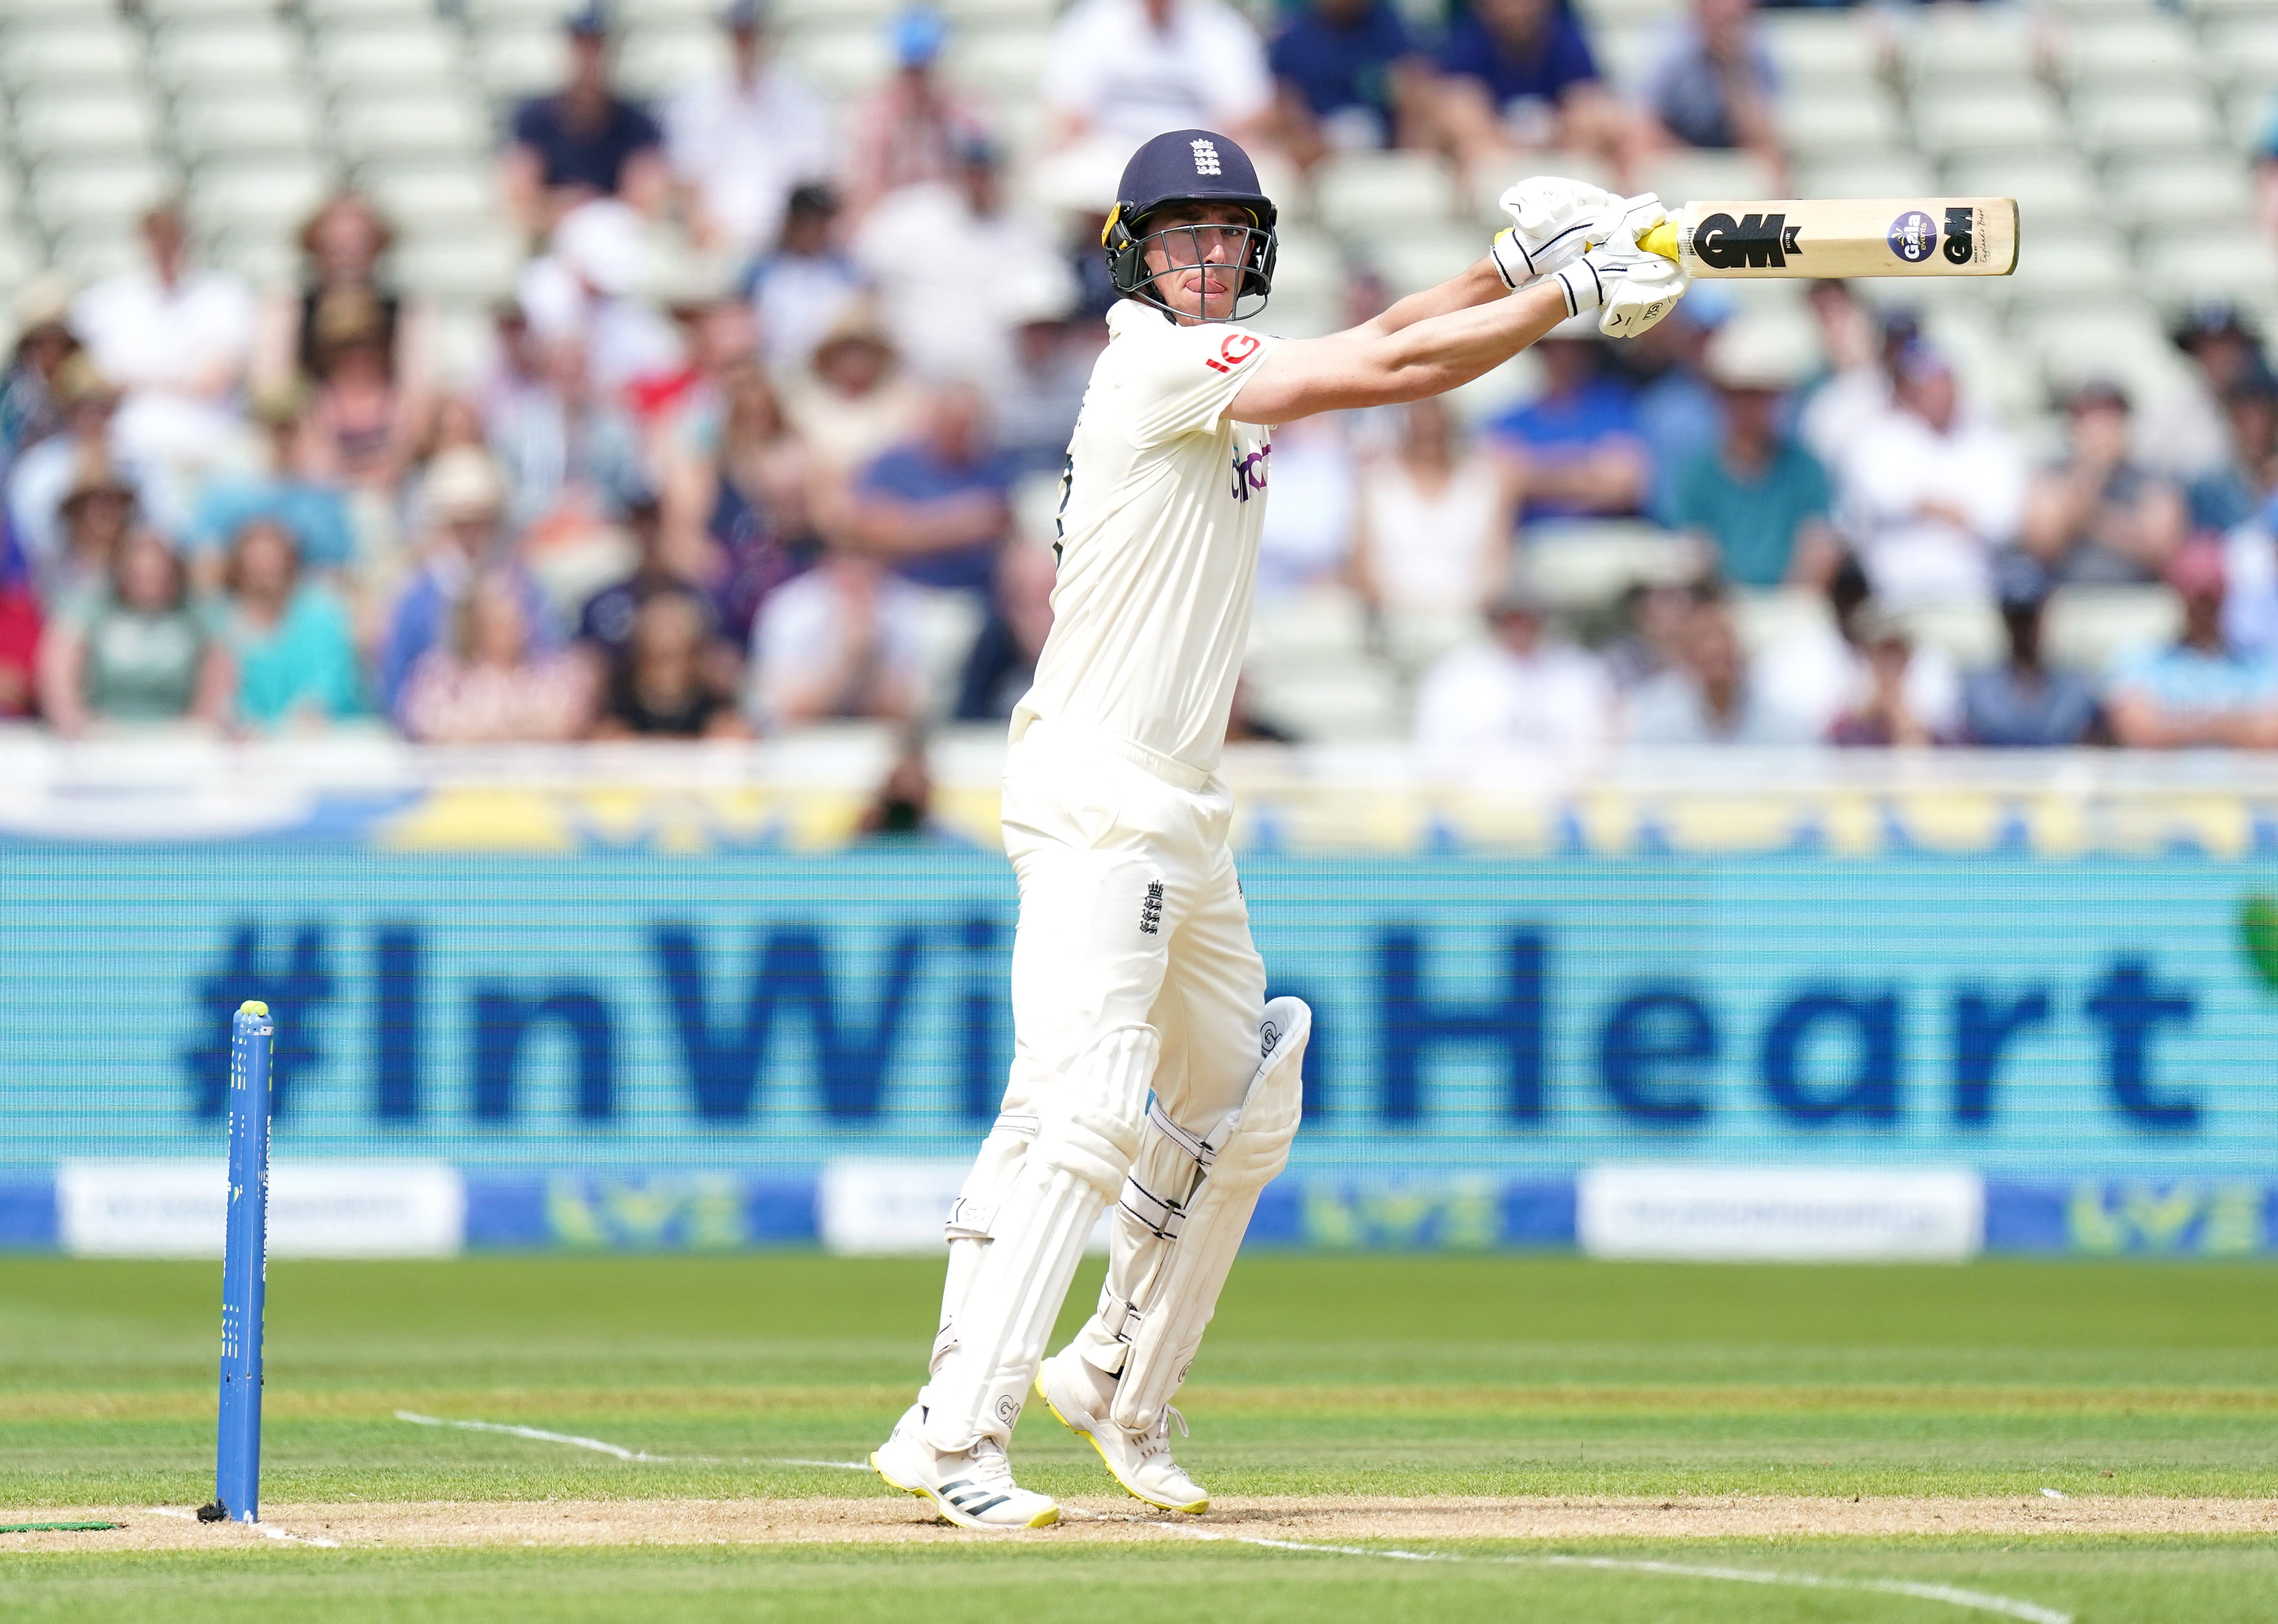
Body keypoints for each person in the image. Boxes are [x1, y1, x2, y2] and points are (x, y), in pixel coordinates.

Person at [867, 134, 1685, 1528]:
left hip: (1181, 806)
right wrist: (1569, 302)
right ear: (1132, 253)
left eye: (1225, 236)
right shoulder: (1149, 365)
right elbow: (1393, 374)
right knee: (1081, 1115)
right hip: (1096, 796)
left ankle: (1114, 1378)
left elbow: (1377, 334)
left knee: (1240, 1098)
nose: (1204, 259)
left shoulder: (1224, 382)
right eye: (1176, 237)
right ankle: (960, 1443)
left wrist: (1506, 268)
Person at [853, 134, 1079, 383]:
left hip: (1000, 385)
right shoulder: (907, 218)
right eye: (971, 171)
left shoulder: (1030, 232)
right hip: (913, 376)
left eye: (986, 172)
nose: (978, 180)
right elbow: (866, 286)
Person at [1834, 340, 2025, 609]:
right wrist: (1948, 510)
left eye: (1944, 382)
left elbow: (2002, 521)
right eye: (1930, 384)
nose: (1939, 392)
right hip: (1892, 594)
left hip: (1974, 594)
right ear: (1910, 389)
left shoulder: (1989, 440)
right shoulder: (1879, 436)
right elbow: (1879, 497)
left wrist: (1923, 504)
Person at [68, 202, 256, 474]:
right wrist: (181, 379)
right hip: (132, 448)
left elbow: (213, 382)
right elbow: (91, 379)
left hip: (210, 445)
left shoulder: (224, 297)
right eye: (156, 236)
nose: (164, 246)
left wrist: (130, 379)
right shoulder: (109, 301)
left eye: (171, 236)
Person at [379, 449, 557, 719]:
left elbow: (549, 664)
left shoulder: (525, 591)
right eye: (461, 523)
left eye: (481, 522)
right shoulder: (415, 600)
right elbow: (397, 688)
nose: (471, 534)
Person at [1668, 317, 1838, 588]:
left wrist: (1788, 606)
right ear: (1719, 398)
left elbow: (1819, 548)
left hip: (1794, 606)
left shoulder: (1806, 468)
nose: (1749, 406)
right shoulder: (1698, 474)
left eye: (1761, 395)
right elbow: (1696, 555)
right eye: (1739, 394)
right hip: (1722, 610)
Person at [663, 0, 834, 256]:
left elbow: (812, 179)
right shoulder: (695, 101)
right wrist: (705, 225)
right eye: (739, 34)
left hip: (785, 242)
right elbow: (686, 183)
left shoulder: (801, 99)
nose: (746, 43)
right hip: (718, 240)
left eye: (752, 33)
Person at [37, 531, 230, 736]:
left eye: (157, 573)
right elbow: (60, 666)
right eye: (140, 574)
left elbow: (220, 671)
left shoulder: (196, 615)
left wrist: (201, 726)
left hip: (178, 736)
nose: (149, 581)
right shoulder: (93, 610)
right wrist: (73, 719)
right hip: (103, 735)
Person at [838, 381, 1016, 597]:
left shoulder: (992, 470)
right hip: (904, 593)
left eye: (969, 425)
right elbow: (871, 531)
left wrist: (911, 522)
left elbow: (1001, 527)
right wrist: (962, 522)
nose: (961, 433)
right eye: (953, 423)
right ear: (934, 419)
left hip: (977, 592)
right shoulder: (892, 465)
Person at [503, 3, 666, 236]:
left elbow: (645, 203)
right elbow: (520, 200)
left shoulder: (637, 123)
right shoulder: (534, 120)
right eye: (582, 45)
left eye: (597, 46)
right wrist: (570, 210)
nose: (589, 57)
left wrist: (585, 210)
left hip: (616, 241)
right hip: (550, 243)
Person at [254, 192, 433, 403]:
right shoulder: (287, 308)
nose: (348, 252)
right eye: (336, 243)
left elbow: (423, 392)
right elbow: (271, 392)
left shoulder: (407, 310)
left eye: (359, 241)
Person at [1352, 396, 1518, 616]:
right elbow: (1361, 563)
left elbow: (1498, 563)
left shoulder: (1487, 480)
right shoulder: (1376, 480)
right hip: (1393, 616)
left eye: (1436, 433)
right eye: (1421, 434)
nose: (1429, 439)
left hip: (1469, 616)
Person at [2105, 540, 2278, 749]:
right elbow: (2139, 732)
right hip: (2165, 782)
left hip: (2245, 782)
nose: (2204, 611)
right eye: (2197, 600)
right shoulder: (2141, 659)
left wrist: (2182, 725)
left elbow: (2271, 735)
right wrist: (2230, 726)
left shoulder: (2262, 663)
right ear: (2180, 598)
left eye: (2211, 599)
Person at [1434, 0, 1634, 178]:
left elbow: (1589, 107)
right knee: (1461, 121)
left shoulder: (1566, 41)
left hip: (1558, 146)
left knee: (1602, 120)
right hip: (1495, 150)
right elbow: (1458, 116)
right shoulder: (1467, 45)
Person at [1413, 576, 1614, 752]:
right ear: (1494, 621)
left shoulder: (1580, 671)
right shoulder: (1455, 674)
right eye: (1510, 619)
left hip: (1562, 792)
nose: (1520, 628)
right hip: (1480, 792)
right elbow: (1437, 752)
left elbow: (1594, 752)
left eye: (1528, 618)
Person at [1042, 0, 1274, 151]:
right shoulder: (1090, 24)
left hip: (1199, 153)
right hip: (1107, 152)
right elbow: (1070, 110)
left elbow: (1248, 112)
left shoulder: (1221, 29)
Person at [184, 390, 357, 591]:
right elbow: (203, 572)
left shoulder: (324, 501)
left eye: (289, 428)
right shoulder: (224, 494)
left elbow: (336, 576)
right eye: (272, 427)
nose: (280, 438)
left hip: (298, 608)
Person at [2020, 380, 2187, 586]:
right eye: (2089, 417)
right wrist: (2089, 476)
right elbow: (2041, 546)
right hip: (2067, 598)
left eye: (2110, 417)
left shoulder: (2153, 479)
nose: (2100, 428)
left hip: (2138, 598)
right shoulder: (2050, 475)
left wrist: (2090, 514)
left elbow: (2163, 551)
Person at [208, 517, 364, 733]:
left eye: (273, 562)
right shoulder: (225, 625)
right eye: (257, 564)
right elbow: (222, 701)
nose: (265, 571)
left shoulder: (322, 613)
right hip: (252, 748)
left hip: (326, 741)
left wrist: (300, 723)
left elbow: (328, 689)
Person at [748, 544, 929, 728]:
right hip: (802, 740)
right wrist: (849, 663)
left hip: (877, 738)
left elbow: (906, 715)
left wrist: (869, 655)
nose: (857, 577)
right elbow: (782, 713)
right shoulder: (791, 609)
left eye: (866, 564)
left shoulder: (906, 609)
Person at [1483, 326, 1646, 522]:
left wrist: (1529, 476)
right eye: (1553, 346)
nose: (1565, 355)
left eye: (1576, 346)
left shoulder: (1618, 405)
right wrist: (1588, 472)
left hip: (1605, 539)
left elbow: (1623, 487)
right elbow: (1496, 485)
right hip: (1531, 542)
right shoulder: (1508, 419)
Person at [844, 6, 994, 218]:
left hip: (951, 227)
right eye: (911, 70)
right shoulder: (873, 118)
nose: (918, 80)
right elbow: (861, 196)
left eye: (925, 68)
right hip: (889, 226)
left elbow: (984, 189)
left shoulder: (965, 117)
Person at [1625, 588, 1805, 744]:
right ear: (1686, 655)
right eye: (1702, 639)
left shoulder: (1789, 724)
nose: (1714, 649)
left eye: (1723, 637)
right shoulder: (1655, 722)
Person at [1959, 551, 2102, 748]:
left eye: (2030, 617)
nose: (2024, 628)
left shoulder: (2077, 691)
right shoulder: (1976, 691)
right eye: (2016, 617)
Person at [1266, 0, 1430, 165]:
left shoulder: (1390, 30)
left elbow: (1412, 97)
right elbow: (1289, 113)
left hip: (1385, 152)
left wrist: (1408, 153)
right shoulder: (1292, 42)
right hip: (1320, 154)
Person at [1642, 0, 1781, 178]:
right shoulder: (1671, 46)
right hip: (1675, 145)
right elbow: (1644, 120)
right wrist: (1692, 158)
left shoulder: (1759, 49)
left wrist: (1732, 69)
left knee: (1774, 157)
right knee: (1636, 147)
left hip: (1734, 147)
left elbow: (1761, 134)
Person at [592, 587, 749, 739]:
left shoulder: (715, 696)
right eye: (660, 627)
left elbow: (734, 733)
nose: (669, 639)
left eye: (676, 627)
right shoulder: (618, 695)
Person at [744, 184, 866, 379]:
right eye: (807, 219)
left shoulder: (846, 272)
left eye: (821, 220)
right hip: (774, 371)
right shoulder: (762, 270)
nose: (814, 228)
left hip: (829, 377)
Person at [2138, 302, 2267, 485]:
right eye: (2208, 347)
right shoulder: (2169, 412)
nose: (2219, 356)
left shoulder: (2265, 401)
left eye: (2228, 344)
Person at [955, 542, 1057, 721]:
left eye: (1047, 599)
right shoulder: (989, 663)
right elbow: (966, 727)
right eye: (1024, 604)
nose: (1039, 619)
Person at [1825, 602, 1938, 747]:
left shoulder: (1932, 704)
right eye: (1883, 654)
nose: (1891, 663)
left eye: (1897, 653)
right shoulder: (1847, 705)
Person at [0, 275, 78, 469]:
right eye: (42, 342)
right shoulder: (12, 391)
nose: (51, 351)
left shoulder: (83, 385)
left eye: (58, 342)